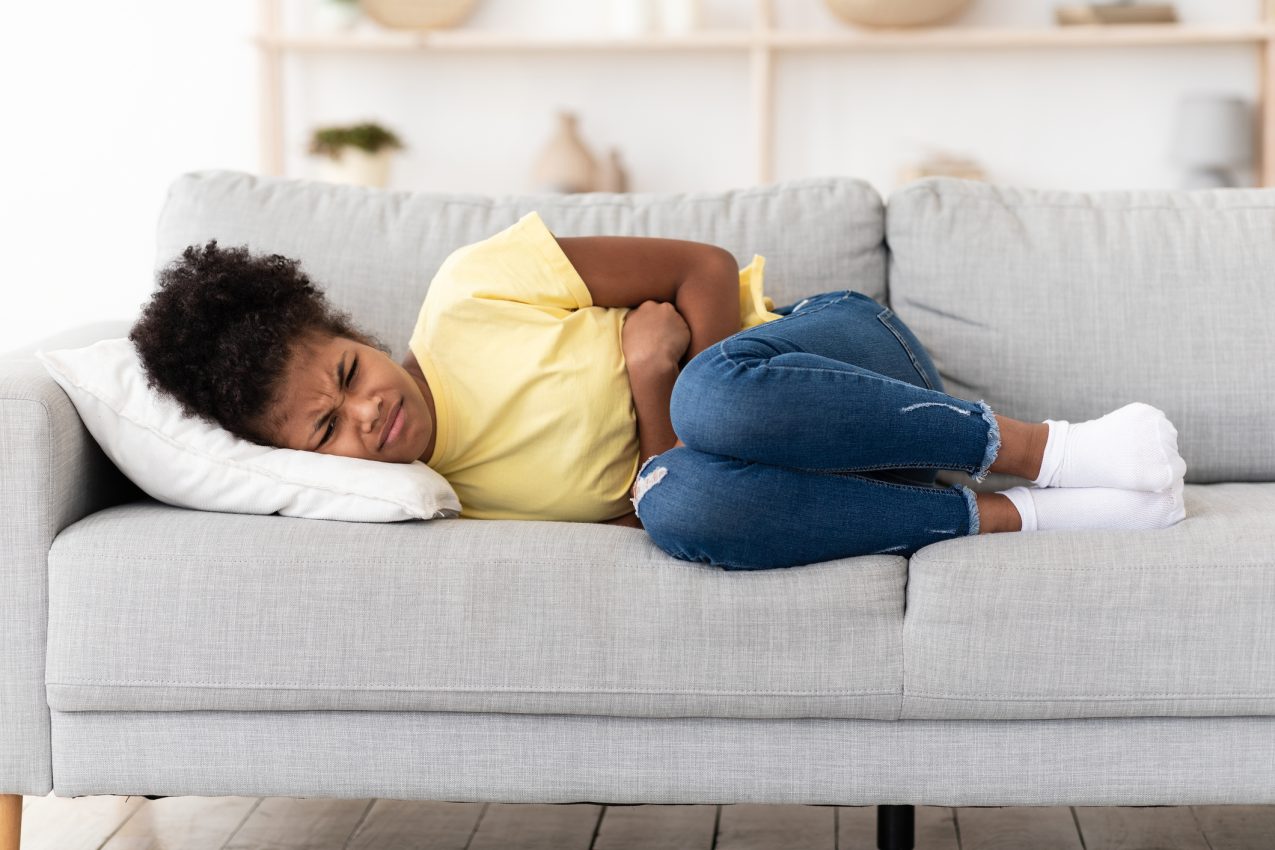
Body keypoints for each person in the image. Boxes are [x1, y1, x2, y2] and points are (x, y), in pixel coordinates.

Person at [129, 212, 1187, 571]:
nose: (368, 412)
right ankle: (1030, 515)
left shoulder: (470, 293)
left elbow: (703, 268)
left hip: (838, 360)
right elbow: (657, 486)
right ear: (303, 462)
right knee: (682, 508)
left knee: (711, 409)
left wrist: (702, 377)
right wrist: (651, 385)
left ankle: (1050, 448)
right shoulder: (443, 498)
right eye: (329, 428)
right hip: (838, 482)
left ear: (355, 333)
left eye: (351, 374)